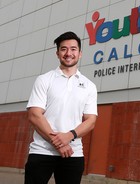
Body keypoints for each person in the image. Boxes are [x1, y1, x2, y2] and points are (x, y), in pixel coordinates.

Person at [24, 31, 98, 184]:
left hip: (73, 153)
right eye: (63, 49)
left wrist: (69, 136)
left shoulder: (89, 86)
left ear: (80, 53)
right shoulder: (44, 79)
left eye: (73, 49)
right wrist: (58, 142)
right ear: (57, 53)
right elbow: (34, 115)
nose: (68, 53)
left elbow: (91, 121)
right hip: (42, 151)